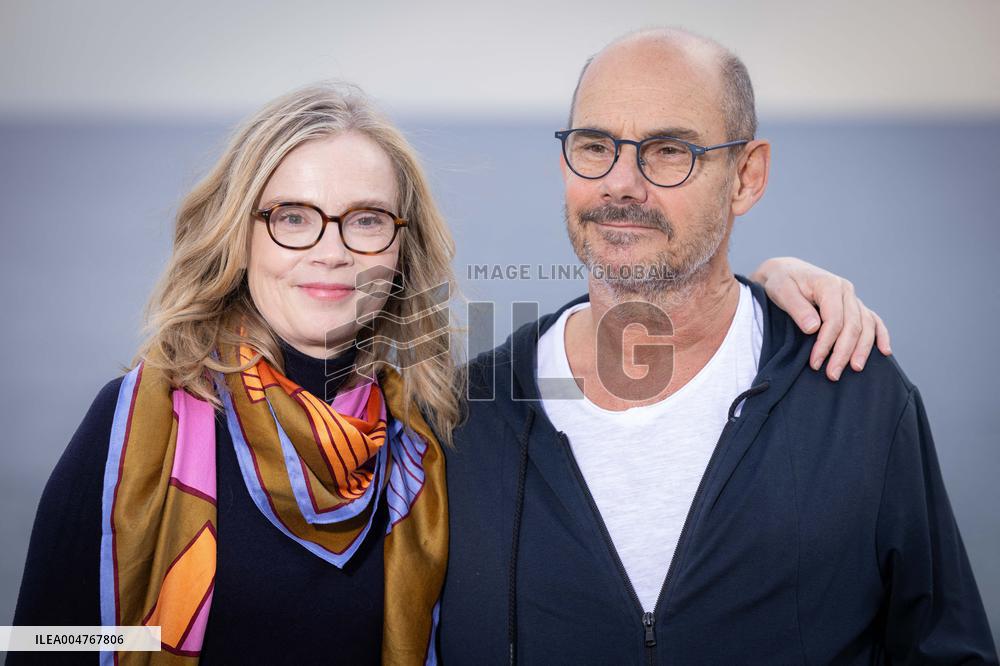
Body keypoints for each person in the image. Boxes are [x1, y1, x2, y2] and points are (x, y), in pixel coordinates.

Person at [12, 81, 888, 664]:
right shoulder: (146, 424)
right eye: (292, 217)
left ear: (400, 249)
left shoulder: (430, 436)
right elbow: (45, 639)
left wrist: (766, 289)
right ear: (240, 236)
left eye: (365, 221)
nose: (330, 252)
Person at [439, 28, 998, 664]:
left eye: (669, 150)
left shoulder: (853, 397)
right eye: (594, 147)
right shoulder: (469, 418)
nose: (621, 183)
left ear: (746, 177)